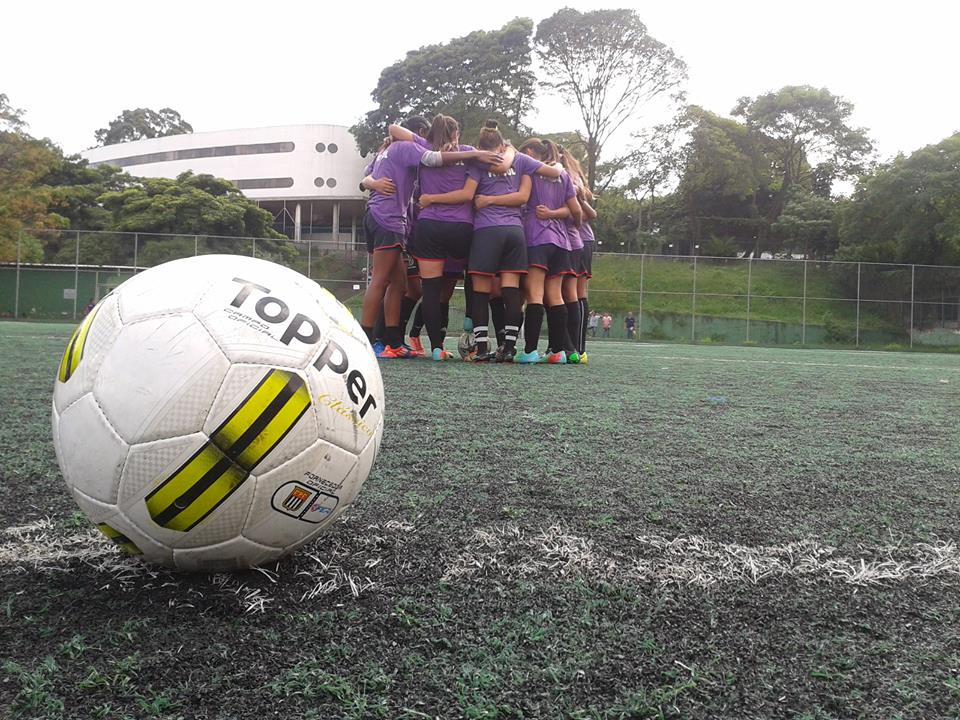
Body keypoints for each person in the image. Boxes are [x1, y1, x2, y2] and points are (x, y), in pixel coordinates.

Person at [359, 118, 502, 358]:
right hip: (393, 218)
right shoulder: (415, 148)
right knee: (384, 281)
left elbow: (366, 177)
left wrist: (371, 182)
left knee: (406, 285)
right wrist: (474, 153)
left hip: (399, 220)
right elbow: (432, 160)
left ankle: (398, 343)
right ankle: (366, 341)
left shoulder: (392, 148)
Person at [467, 120, 562, 362]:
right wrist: (559, 163)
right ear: (503, 142)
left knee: (481, 290)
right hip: (514, 231)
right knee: (511, 290)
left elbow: (469, 194)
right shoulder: (521, 160)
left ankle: (480, 348)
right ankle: (509, 347)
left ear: (482, 144)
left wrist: (487, 200)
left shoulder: (478, 161)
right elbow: (539, 184)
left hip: (487, 230)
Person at [388, 114, 478, 360]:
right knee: (470, 280)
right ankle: (474, 336)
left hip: (430, 227)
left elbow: (394, 128)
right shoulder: (469, 152)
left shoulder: (423, 147)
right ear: (455, 133)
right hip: (462, 228)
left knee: (430, 289)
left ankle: (437, 348)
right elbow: (471, 191)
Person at [515, 138, 581, 364]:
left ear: (533, 153)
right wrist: (558, 215)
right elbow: (576, 211)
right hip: (561, 241)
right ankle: (558, 352)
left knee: (535, 294)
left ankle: (530, 351)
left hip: (537, 237)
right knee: (556, 296)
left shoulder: (531, 171)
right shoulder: (563, 175)